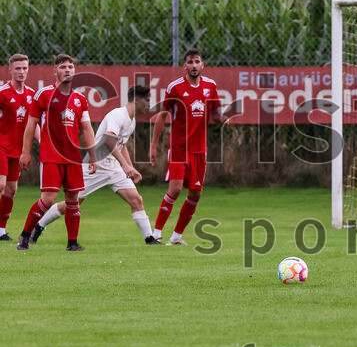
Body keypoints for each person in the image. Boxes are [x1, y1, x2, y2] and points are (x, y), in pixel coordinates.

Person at [33, 86, 159, 245]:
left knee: (136, 199)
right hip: (95, 167)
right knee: (73, 204)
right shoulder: (118, 115)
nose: (149, 104)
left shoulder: (131, 120)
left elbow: (122, 145)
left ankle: (149, 239)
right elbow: (109, 140)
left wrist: (129, 166)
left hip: (113, 167)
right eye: (147, 100)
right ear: (137, 99)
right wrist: (125, 166)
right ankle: (38, 226)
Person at [17, 54, 99, 251]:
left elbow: (87, 129)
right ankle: (25, 235)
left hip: (73, 158)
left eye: (71, 67)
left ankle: (72, 243)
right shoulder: (43, 94)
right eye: (63, 67)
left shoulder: (80, 99)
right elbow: (31, 125)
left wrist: (93, 156)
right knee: (48, 199)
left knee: (73, 200)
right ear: (55, 71)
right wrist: (25, 152)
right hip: (51, 155)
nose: (68, 70)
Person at [148, 48, 225, 245]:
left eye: (196, 61)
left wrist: (222, 119)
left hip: (199, 150)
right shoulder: (175, 88)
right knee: (175, 189)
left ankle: (176, 237)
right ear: (185, 66)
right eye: (189, 62)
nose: (193, 65)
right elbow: (162, 116)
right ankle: (155, 234)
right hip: (179, 148)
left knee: (195, 194)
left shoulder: (211, 86)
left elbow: (216, 114)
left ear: (202, 65)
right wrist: (153, 146)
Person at [0, 54, 36, 241]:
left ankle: (1, 231)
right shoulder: (2, 92)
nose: (21, 72)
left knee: (11, 190)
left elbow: (33, 124)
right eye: (18, 69)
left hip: (18, 150)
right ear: (10, 70)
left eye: (24, 68)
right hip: (1, 146)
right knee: (1, 184)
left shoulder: (31, 94)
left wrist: (44, 143)